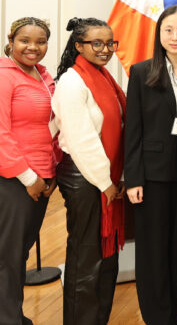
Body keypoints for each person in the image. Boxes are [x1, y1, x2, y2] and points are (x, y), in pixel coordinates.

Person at [0, 17, 60, 325]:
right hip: (4, 178)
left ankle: (11, 317)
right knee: (4, 258)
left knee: (17, 254)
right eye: (25, 40)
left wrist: (50, 172)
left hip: (39, 175)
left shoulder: (42, 76)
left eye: (40, 41)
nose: (33, 47)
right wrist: (28, 177)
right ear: (11, 40)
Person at [124, 6, 177, 325]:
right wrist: (133, 178)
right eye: (168, 30)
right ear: (159, 34)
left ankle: (173, 314)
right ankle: (158, 318)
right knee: (153, 249)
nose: (174, 36)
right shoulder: (142, 72)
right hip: (152, 174)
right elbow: (133, 129)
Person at [52, 17, 126, 325]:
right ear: (79, 45)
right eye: (97, 43)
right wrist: (106, 183)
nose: (105, 49)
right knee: (86, 260)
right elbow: (82, 139)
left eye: (110, 43)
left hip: (104, 176)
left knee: (106, 259)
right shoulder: (72, 81)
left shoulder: (103, 76)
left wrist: (114, 179)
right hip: (85, 177)